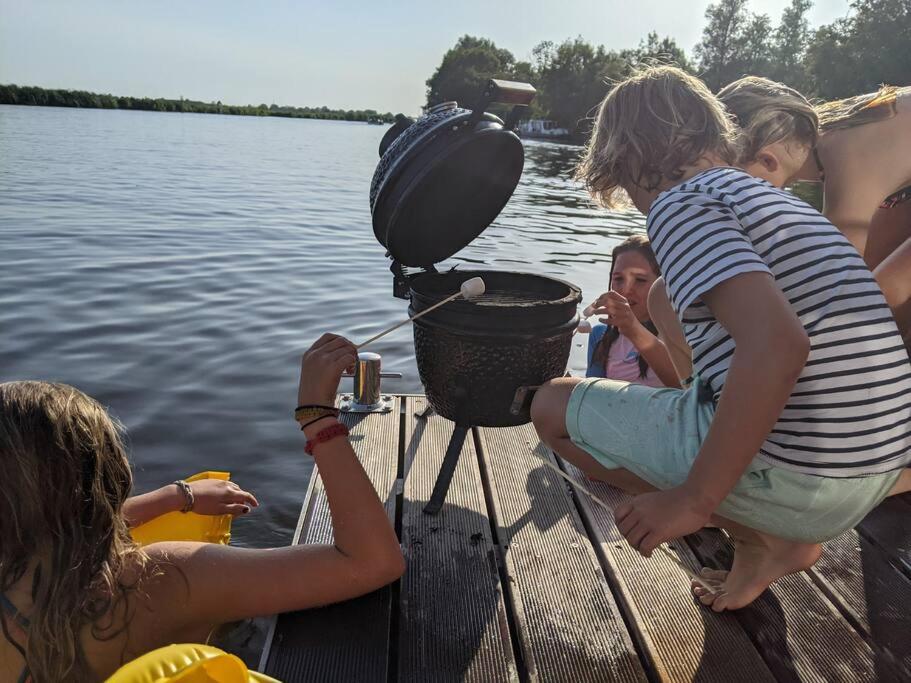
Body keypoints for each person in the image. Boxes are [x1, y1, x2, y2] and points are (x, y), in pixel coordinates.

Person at [532, 66, 911, 612]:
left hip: (804, 480)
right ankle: (775, 531)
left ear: (627, 160)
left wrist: (692, 498)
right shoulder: (778, 203)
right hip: (874, 471)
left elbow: (779, 346)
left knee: (551, 406)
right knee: (670, 300)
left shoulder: (680, 206)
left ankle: (768, 536)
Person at [0, 333, 404, 682]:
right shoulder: (159, 580)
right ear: (110, 475)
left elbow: (52, 524)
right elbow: (372, 561)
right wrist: (318, 417)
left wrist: (177, 497)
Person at [716, 77, 911, 344]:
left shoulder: (845, 155)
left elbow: (833, 276)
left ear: (766, 160)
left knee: (885, 291)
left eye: (736, 182)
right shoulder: (833, 131)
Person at [584, 235, 679, 388]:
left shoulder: (677, 334)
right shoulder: (604, 337)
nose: (625, 290)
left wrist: (633, 328)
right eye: (618, 279)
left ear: (663, 284)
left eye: (640, 280)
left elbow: (685, 387)